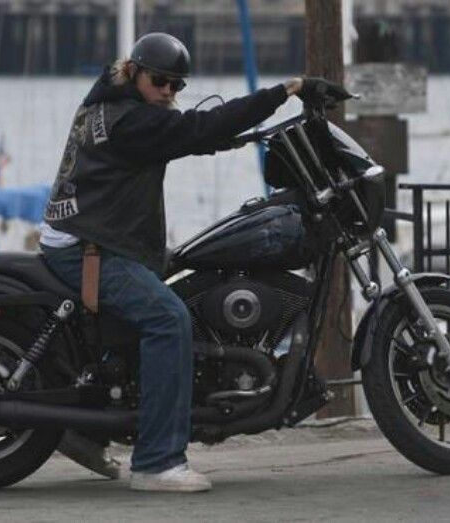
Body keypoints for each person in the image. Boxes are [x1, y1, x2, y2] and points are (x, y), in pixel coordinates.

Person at [40, 32, 304, 492]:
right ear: (137, 72)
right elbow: (195, 130)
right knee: (168, 320)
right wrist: (282, 94)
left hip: (97, 234)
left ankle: (85, 428)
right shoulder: (131, 122)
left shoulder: (107, 96)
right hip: (89, 247)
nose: (168, 93)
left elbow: (192, 135)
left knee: (187, 277)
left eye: (177, 86)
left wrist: (231, 135)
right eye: (160, 81)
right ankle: (157, 461)